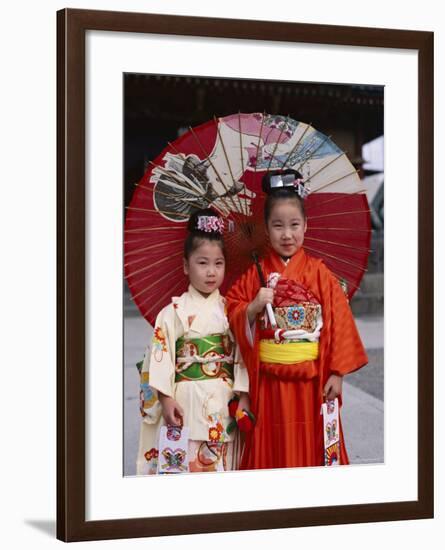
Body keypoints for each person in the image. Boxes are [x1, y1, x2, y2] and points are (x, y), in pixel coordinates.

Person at [225, 169, 368, 470]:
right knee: (272, 446)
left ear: (306, 225)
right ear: (266, 228)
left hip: (312, 380)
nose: (286, 234)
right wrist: (252, 307)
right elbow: (231, 310)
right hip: (270, 382)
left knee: (312, 443)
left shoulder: (319, 273)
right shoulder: (256, 273)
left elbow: (339, 322)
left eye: (294, 225)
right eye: (278, 226)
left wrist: (337, 373)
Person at [136, 208, 249, 475]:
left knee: (221, 466)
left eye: (218, 263)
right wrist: (165, 399)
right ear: (186, 265)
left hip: (223, 401)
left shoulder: (231, 310)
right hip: (184, 401)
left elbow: (242, 355)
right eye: (202, 263)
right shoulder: (172, 313)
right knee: (184, 464)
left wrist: (243, 395)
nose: (211, 272)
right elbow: (160, 357)